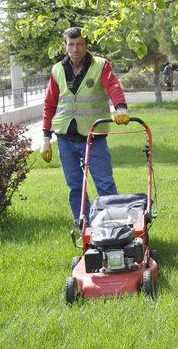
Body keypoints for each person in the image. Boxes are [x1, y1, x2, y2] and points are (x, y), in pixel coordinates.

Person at [40, 27, 130, 227]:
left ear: (86, 45)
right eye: (71, 44)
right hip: (65, 138)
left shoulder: (100, 65)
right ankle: (85, 227)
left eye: (79, 44)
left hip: (94, 137)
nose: (75, 48)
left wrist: (121, 108)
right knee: (75, 187)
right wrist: (46, 139)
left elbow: (113, 87)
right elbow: (49, 104)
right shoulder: (57, 70)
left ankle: (114, 227)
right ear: (65, 46)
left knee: (104, 184)